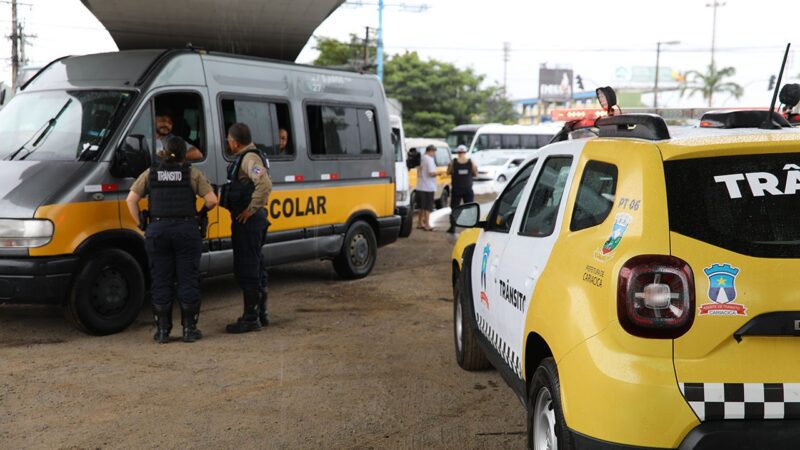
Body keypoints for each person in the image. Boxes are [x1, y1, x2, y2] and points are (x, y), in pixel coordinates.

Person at [126, 136, 218, 343]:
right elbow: (212, 200)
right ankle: (189, 330)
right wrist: (200, 213)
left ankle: (162, 332)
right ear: (185, 154)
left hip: (158, 231)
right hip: (186, 230)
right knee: (188, 279)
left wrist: (142, 225)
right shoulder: (192, 173)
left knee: (161, 280)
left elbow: (131, 200)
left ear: (163, 153)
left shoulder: (151, 174)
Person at [221, 123, 273, 333]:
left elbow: (264, 184)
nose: (228, 143)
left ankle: (251, 318)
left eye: (228, 139)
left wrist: (250, 210)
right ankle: (260, 314)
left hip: (249, 221)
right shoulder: (247, 157)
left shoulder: (250, 159)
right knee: (256, 264)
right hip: (252, 221)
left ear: (235, 142)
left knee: (248, 266)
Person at [446, 144, 478, 233]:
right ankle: (471, 227)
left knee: (454, 208)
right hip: (467, 189)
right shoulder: (471, 162)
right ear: (465, 152)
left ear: (458, 152)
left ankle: (453, 227)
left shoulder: (453, 162)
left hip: (457, 189)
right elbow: (475, 173)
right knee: (469, 208)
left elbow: (448, 172)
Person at [416, 145, 438, 231]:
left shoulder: (421, 158)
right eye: (434, 152)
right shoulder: (429, 159)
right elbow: (431, 173)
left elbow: (418, 171)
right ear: (430, 151)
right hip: (428, 187)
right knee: (428, 207)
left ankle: (419, 223)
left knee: (421, 207)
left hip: (420, 186)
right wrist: (439, 173)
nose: (434, 154)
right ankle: (427, 225)